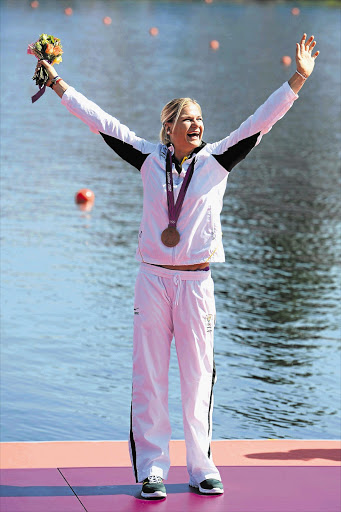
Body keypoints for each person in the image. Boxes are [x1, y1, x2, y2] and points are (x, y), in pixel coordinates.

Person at [36, 33, 319, 499]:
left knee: (198, 377)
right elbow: (100, 121)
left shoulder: (217, 161)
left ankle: (202, 467)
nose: (197, 126)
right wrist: (58, 82)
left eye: (200, 120)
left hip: (195, 283)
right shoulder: (147, 158)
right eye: (187, 119)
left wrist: (299, 78)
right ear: (168, 127)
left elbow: (260, 121)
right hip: (152, 281)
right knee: (148, 376)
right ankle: (151, 470)